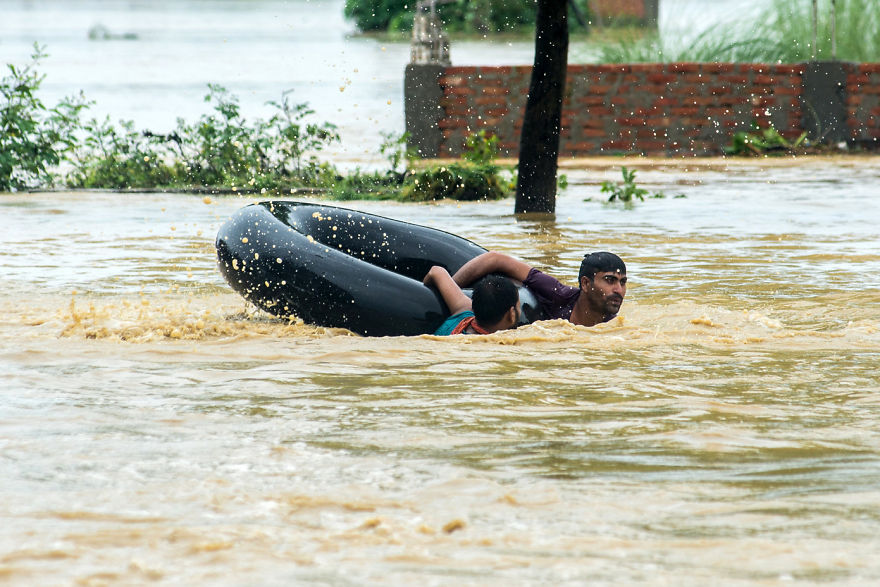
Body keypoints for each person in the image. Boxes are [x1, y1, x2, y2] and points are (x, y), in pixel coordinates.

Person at [451, 251, 627, 327]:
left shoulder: (613, 326)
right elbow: (496, 259)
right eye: (610, 280)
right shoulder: (557, 294)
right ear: (586, 284)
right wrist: (451, 287)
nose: (619, 290)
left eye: (623, 282)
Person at [423, 266, 520, 335]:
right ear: (511, 314)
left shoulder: (464, 312)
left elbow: (436, 271)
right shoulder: (494, 347)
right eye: (518, 305)